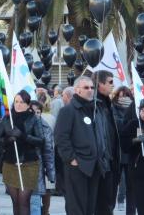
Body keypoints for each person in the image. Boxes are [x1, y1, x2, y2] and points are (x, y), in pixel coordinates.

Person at [54, 76, 107, 215]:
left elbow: (101, 135)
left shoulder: (96, 109)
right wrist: (71, 159)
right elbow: (61, 137)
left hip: (95, 166)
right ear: (77, 90)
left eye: (91, 87)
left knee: (91, 207)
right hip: (78, 166)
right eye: (86, 87)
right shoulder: (68, 111)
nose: (90, 90)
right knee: (76, 207)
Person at [0, 90, 44, 215]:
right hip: (10, 164)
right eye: (16, 101)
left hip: (29, 164)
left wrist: (23, 136)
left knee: (24, 201)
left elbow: (41, 140)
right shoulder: (7, 118)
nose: (18, 104)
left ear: (28, 104)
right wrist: (7, 139)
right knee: (15, 201)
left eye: (22, 102)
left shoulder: (34, 118)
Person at [120, 98, 144, 215]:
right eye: (143, 111)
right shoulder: (133, 124)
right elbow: (124, 146)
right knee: (143, 207)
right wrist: (135, 140)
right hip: (140, 173)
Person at [93, 71, 120, 215]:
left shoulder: (108, 104)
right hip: (102, 163)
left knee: (109, 204)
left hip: (112, 162)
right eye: (110, 82)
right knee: (102, 206)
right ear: (100, 84)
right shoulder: (94, 106)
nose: (113, 85)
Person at [29, 100, 55, 215]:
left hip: (38, 171)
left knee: (35, 202)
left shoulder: (45, 127)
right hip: (21, 170)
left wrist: (50, 174)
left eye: (38, 112)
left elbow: (48, 152)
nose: (35, 114)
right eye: (32, 111)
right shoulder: (22, 125)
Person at [112, 86, 135, 214]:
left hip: (130, 150)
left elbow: (137, 126)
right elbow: (117, 125)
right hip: (116, 151)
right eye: (120, 96)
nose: (123, 99)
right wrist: (129, 124)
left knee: (131, 185)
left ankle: (130, 211)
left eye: (126, 96)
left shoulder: (135, 109)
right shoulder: (112, 108)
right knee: (113, 184)